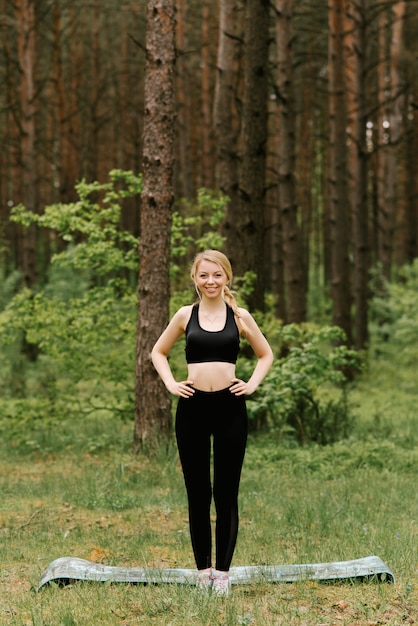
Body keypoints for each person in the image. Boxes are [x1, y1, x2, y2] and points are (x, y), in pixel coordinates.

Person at [151, 249, 273, 595]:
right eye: (204, 275)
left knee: (226, 493)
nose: (210, 281)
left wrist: (251, 383)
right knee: (198, 493)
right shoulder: (183, 315)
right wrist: (171, 383)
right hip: (192, 407)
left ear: (227, 278)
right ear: (194, 278)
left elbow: (266, 354)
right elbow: (158, 352)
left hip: (230, 408)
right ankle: (203, 572)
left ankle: (223, 575)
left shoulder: (241, 316)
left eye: (217, 275)